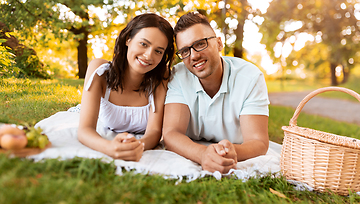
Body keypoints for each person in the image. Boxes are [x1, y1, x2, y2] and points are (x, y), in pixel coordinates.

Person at [163, 12, 270, 174]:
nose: (194, 56)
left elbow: (258, 142)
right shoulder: (178, 75)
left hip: (232, 148)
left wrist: (232, 153)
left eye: (200, 44)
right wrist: (203, 154)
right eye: (185, 51)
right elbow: (171, 134)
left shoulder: (250, 77)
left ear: (219, 43)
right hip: (197, 149)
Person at [78, 13, 175, 161]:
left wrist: (136, 146)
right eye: (144, 44)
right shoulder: (99, 71)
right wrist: (109, 148)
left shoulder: (161, 77)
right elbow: (85, 130)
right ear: (128, 39)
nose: (149, 55)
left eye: (158, 51)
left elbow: (154, 131)